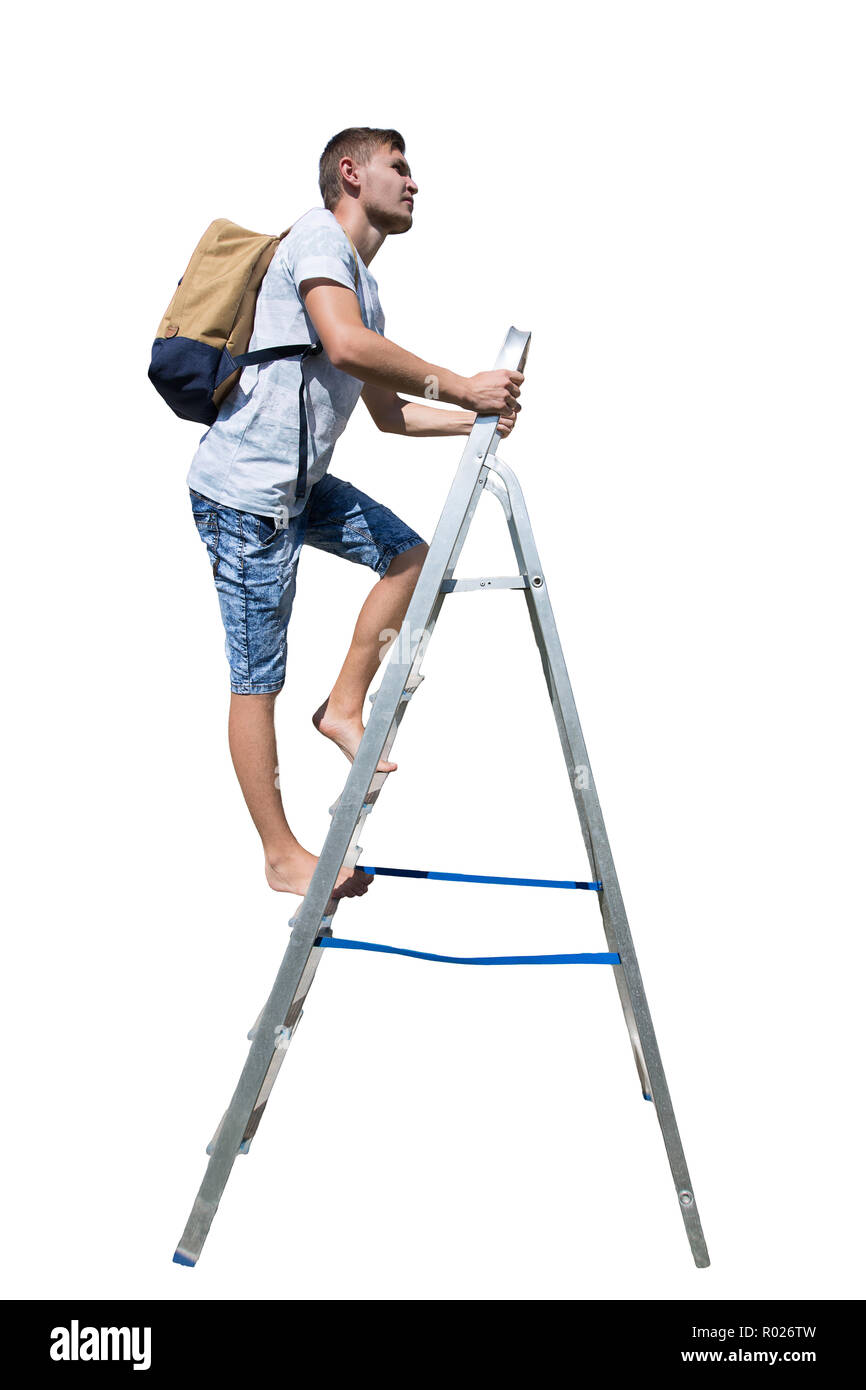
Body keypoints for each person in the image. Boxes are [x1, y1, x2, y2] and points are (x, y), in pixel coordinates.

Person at [187, 126, 523, 901]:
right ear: (351, 173)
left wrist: (479, 418)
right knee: (256, 678)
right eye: (400, 168)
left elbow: (389, 415)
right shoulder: (315, 241)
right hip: (245, 497)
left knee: (410, 558)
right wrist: (459, 383)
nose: (414, 184)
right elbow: (343, 348)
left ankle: (343, 705)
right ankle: (279, 854)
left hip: (298, 488)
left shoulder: (364, 287)